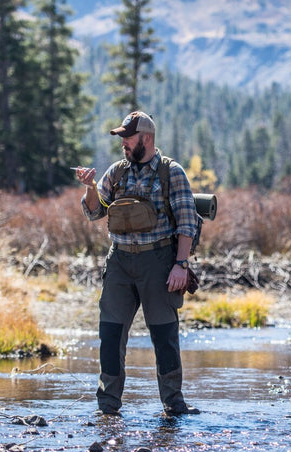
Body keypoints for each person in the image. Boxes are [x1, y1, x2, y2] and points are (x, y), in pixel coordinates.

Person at [77, 110, 201, 416]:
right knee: (110, 334)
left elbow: (187, 224)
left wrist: (180, 265)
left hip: (159, 262)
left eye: (127, 138)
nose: (123, 144)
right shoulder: (117, 172)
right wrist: (91, 188)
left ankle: (173, 403)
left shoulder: (172, 173)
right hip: (119, 261)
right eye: (121, 139)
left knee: (164, 335)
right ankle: (107, 407)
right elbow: (94, 213)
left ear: (145, 138)